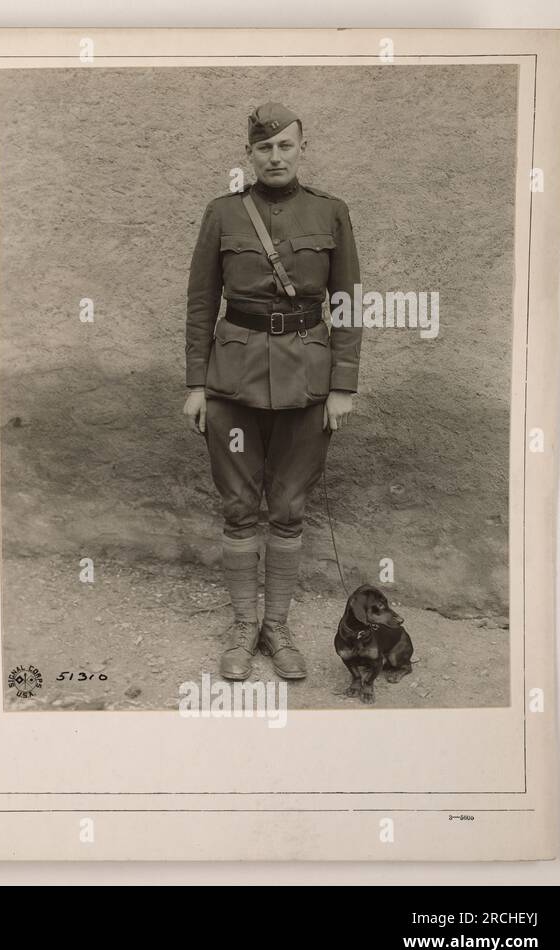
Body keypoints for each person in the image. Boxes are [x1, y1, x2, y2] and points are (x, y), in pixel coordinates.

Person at [182, 101, 362, 682]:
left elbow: (347, 305)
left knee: (287, 510)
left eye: (286, 146)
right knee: (239, 510)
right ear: (249, 155)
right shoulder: (223, 214)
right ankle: (242, 625)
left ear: (302, 149)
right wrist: (194, 384)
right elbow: (201, 303)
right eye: (265, 148)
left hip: (309, 385)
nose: (276, 157)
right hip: (230, 384)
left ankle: (275, 627)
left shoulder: (331, 213)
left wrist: (342, 385)